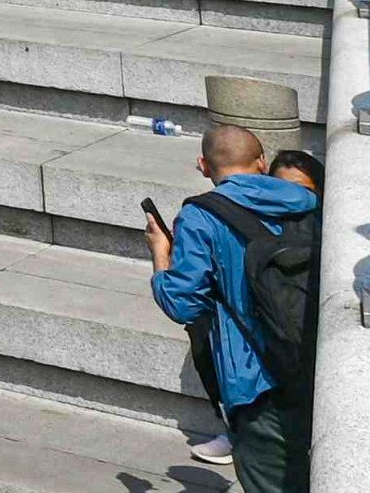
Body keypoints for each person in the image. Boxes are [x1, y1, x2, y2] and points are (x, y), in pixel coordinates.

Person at [146, 124, 319, 492]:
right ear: (260, 161)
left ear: (203, 166)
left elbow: (181, 303)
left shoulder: (199, 217)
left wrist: (160, 254)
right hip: (314, 362)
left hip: (254, 379)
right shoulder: (307, 201)